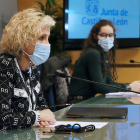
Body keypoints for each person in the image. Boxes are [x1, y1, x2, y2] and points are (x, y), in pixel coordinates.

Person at [0, 7, 56, 130]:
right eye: (41, 38)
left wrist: (43, 118)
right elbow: (2, 118)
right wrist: (37, 116)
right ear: (22, 40)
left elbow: (41, 104)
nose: (47, 44)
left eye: (48, 38)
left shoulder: (33, 66)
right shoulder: (4, 65)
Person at [69, 19, 140, 98]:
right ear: (95, 36)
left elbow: (108, 83)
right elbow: (100, 87)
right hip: (78, 103)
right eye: (103, 35)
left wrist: (130, 85)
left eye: (110, 35)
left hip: (87, 101)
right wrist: (128, 87)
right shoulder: (93, 53)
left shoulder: (103, 53)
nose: (107, 38)